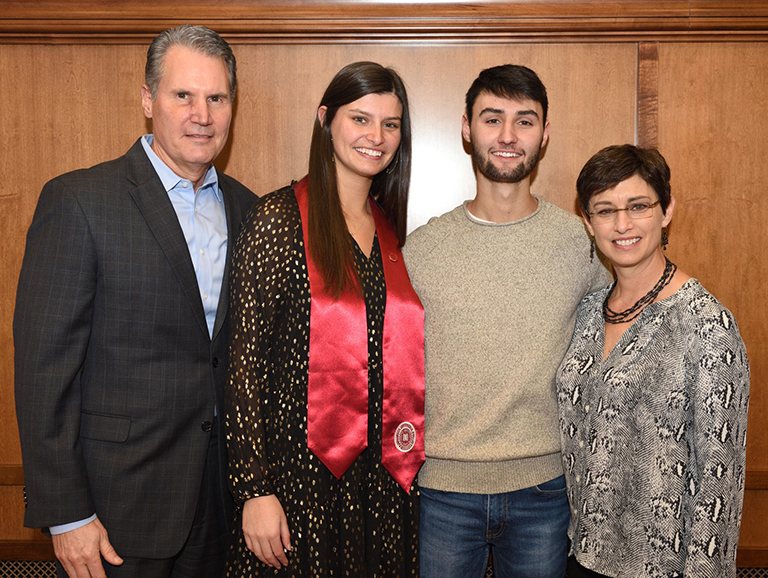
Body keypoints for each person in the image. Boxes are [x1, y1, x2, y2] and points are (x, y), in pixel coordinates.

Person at [14, 25, 256, 578]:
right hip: (115, 512)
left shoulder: (250, 211)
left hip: (222, 507)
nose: (202, 114)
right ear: (148, 100)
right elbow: (42, 370)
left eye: (216, 98)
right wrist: (66, 513)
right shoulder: (80, 202)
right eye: (183, 96)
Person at [402, 64, 610, 578]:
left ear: (544, 134)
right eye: (492, 119)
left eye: (525, 120)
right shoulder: (421, 250)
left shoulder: (581, 245)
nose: (508, 136)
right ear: (467, 128)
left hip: (545, 491)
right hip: (444, 492)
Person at [225, 61, 424, 576]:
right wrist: (254, 490)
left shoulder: (389, 231)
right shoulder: (277, 221)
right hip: (295, 483)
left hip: (380, 484)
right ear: (325, 119)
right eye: (360, 119)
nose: (375, 137)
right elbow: (243, 366)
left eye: (390, 124)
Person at [557, 145, 750, 578]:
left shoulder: (706, 323)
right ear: (588, 222)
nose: (622, 224)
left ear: (666, 212)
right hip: (581, 555)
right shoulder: (588, 311)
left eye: (638, 206)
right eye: (604, 210)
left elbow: (721, 475)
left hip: (664, 567)